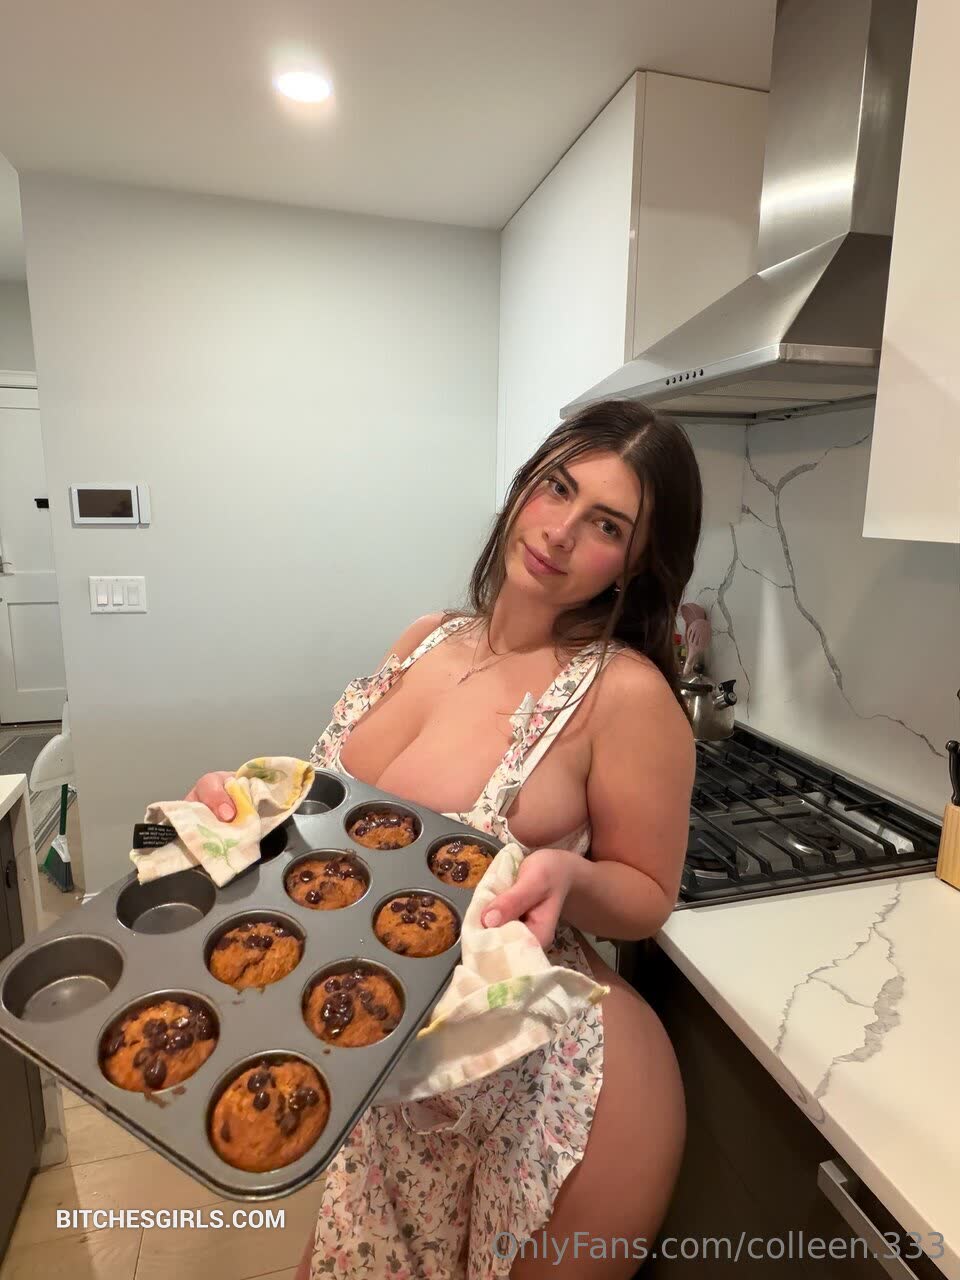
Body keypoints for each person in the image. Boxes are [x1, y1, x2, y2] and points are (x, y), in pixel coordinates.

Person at [187, 398, 702, 1279]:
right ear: (524, 486)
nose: (561, 530)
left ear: (635, 564)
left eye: (606, 524)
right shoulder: (428, 639)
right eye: (557, 488)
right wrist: (243, 816)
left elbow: (649, 895)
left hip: (546, 1082)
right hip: (392, 1066)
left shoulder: (624, 695)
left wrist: (569, 876)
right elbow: (335, 832)